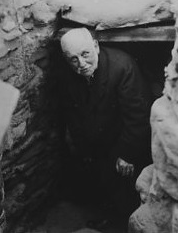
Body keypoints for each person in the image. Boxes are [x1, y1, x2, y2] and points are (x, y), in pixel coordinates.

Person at [58, 27, 152, 230]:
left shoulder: (122, 66)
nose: (81, 64)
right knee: (103, 184)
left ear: (96, 46)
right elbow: (72, 112)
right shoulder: (68, 73)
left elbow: (139, 117)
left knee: (127, 188)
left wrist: (128, 154)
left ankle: (126, 224)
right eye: (73, 59)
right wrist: (81, 146)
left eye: (85, 54)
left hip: (125, 141)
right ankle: (111, 219)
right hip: (98, 143)